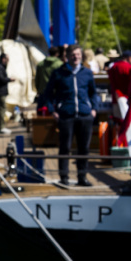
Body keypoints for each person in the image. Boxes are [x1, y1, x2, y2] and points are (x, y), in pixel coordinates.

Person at [42, 45, 98, 186]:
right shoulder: (58, 73)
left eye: (78, 54)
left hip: (84, 114)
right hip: (66, 115)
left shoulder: (87, 73)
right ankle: (64, 177)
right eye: (73, 55)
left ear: (81, 56)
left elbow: (93, 92)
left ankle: (82, 177)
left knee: (83, 148)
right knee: (65, 147)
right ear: (67, 56)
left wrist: (94, 109)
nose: (76, 57)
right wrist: (53, 110)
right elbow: (48, 93)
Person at [0, 52, 13, 134]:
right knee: (1, 110)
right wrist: (9, 79)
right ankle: (1, 127)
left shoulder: (1, 67)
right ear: (3, 59)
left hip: (0, 92)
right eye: (7, 59)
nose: (8, 61)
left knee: (0, 110)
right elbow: (1, 79)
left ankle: (0, 127)